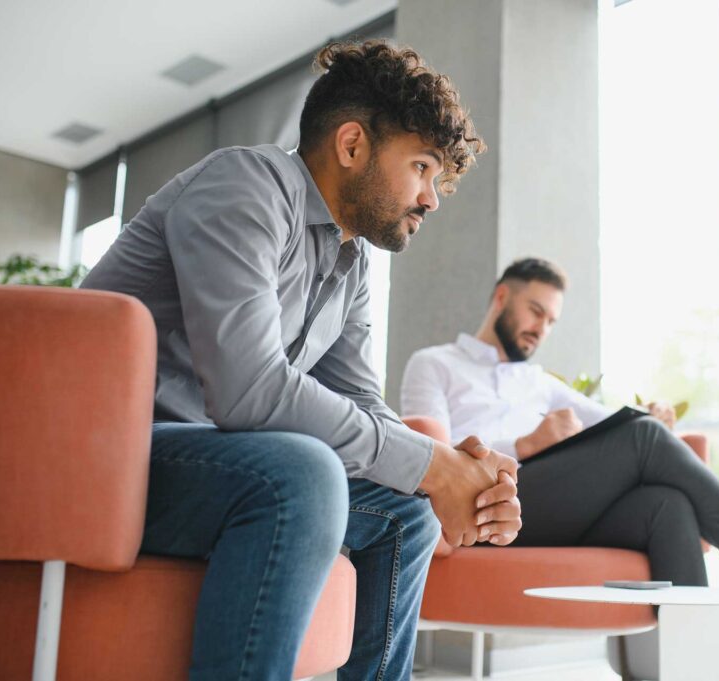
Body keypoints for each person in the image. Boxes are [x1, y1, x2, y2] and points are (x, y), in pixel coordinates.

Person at [81, 41, 521, 681]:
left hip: (194, 468)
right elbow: (249, 391)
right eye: (422, 168)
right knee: (302, 473)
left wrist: (462, 479)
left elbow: (362, 402)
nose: (431, 198)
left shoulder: (351, 262)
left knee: (407, 513)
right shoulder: (244, 187)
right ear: (352, 145)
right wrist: (433, 464)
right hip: (100, 462)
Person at [400, 257, 719, 627]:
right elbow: (434, 460)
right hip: (483, 511)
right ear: (502, 298)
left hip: (553, 510)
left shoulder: (543, 384)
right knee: (642, 439)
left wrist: (656, 419)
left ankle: (700, 661)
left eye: (551, 321)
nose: (541, 329)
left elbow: (623, 427)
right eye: (535, 311)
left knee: (664, 504)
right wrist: (522, 445)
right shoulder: (435, 363)